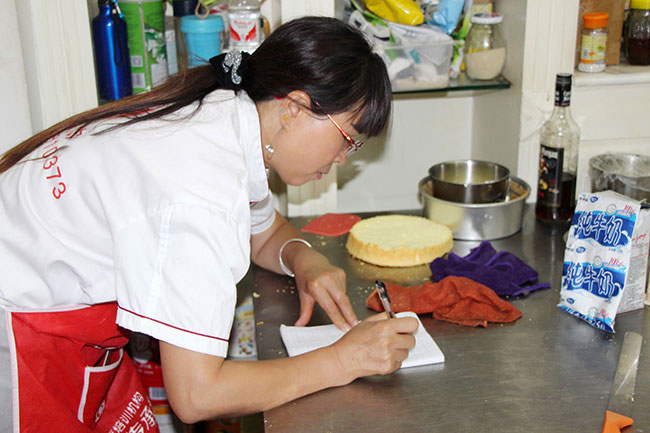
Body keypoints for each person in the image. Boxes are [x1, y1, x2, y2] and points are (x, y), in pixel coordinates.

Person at [0, 16, 418, 431]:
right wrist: (345, 359)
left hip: (59, 318)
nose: (343, 158)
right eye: (347, 139)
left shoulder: (227, 114)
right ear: (293, 108)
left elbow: (264, 232)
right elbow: (198, 395)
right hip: (21, 326)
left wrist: (304, 260)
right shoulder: (199, 193)